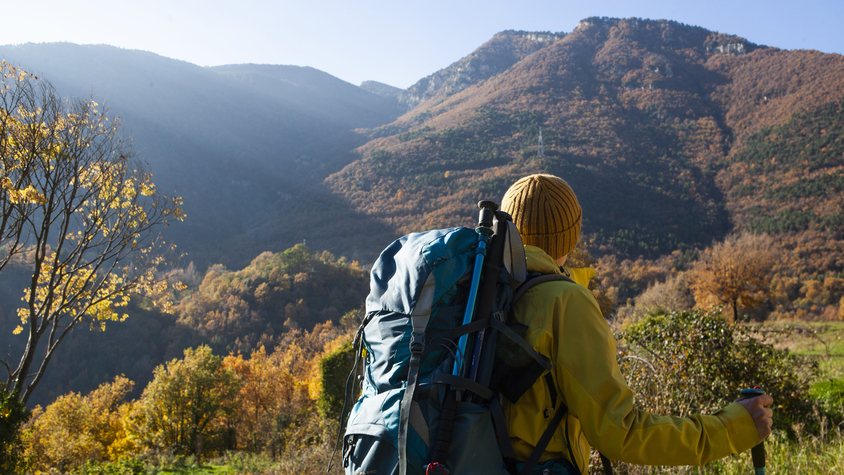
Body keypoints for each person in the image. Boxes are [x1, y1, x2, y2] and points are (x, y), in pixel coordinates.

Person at [498, 173, 773, 474]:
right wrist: (732, 428)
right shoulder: (564, 302)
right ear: (570, 235)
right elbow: (621, 433)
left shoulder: (490, 291)